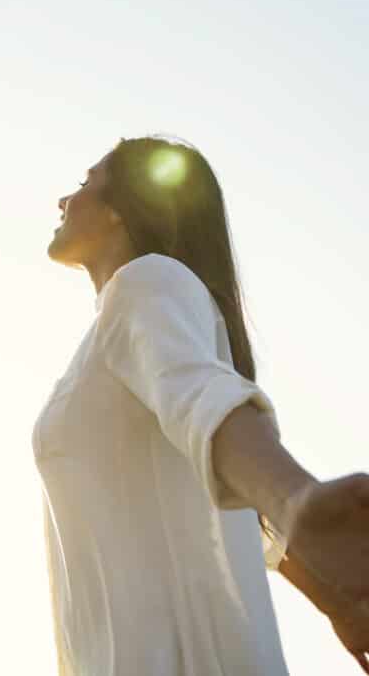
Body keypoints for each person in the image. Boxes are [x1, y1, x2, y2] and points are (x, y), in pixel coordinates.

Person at [34, 134, 369, 675]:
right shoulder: (128, 320)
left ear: (121, 211)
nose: (63, 201)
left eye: (84, 184)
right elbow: (231, 493)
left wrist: (295, 497)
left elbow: (202, 397)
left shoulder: (145, 283)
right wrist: (333, 597)